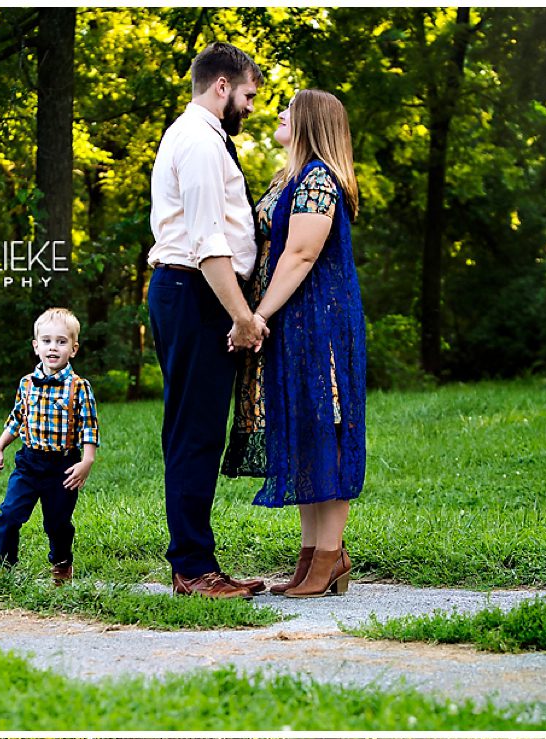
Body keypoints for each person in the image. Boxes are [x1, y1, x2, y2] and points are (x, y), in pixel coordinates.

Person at [222, 90, 367, 598]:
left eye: (288, 109)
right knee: (305, 433)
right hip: (291, 324)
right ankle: (313, 558)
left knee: (325, 432)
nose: (279, 114)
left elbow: (302, 255)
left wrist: (257, 315)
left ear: (310, 121)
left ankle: (329, 556)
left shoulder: (319, 179)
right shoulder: (289, 176)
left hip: (318, 324)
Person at [147, 42, 269, 600]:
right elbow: (206, 241)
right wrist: (242, 316)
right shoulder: (197, 141)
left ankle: (196, 563)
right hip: (196, 292)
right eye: (247, 95)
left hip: (194, 292)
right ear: (222, 86)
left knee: (194, 431)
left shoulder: (202, 138)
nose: (250, 106)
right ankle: (193, 571)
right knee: (194, 434)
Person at [0, 307, 100, 585]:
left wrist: (87, 461)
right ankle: (5, 566)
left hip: (63, 466)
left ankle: (62, 564)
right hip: (29, 463)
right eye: (47, 341)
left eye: (61, 342)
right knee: (9, 515)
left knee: (57, 523)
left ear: (73, 349)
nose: (54, 347)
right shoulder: (27, 384)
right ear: (36, 346)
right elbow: (17, 419)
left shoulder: (79, 387)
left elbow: (89, 426)